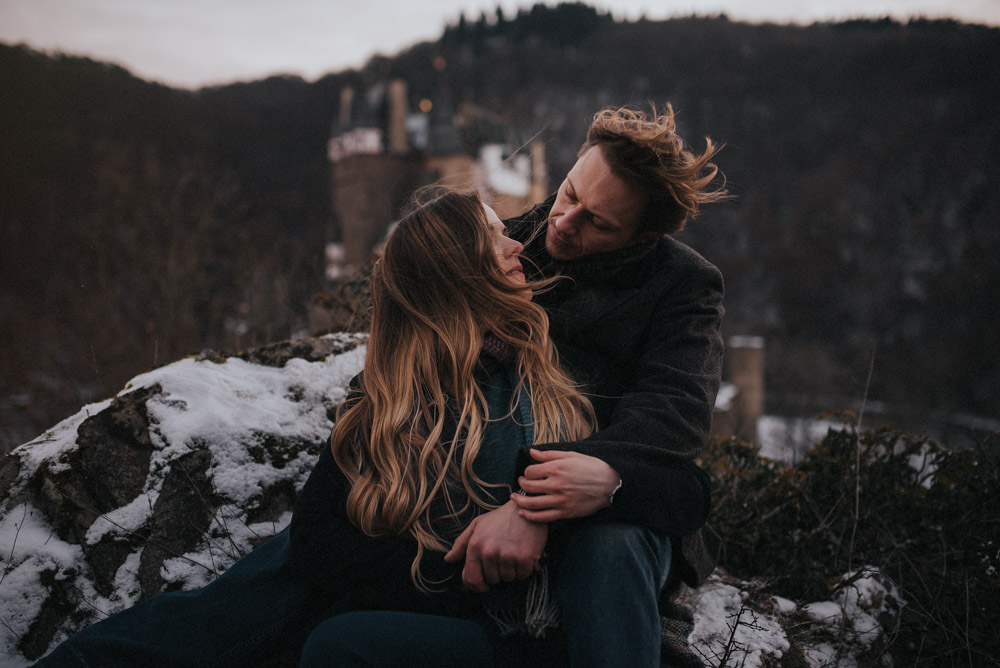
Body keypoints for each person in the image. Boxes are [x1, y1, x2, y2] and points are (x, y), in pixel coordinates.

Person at [33, 191, 597, 667]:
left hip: (499, 623)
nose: (518, 244)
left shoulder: (545, 381)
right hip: (389, 592)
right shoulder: (397, 397)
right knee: (228, 612)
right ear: (458, 270)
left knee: (292, 622)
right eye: (496, 236)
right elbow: (320, 541)